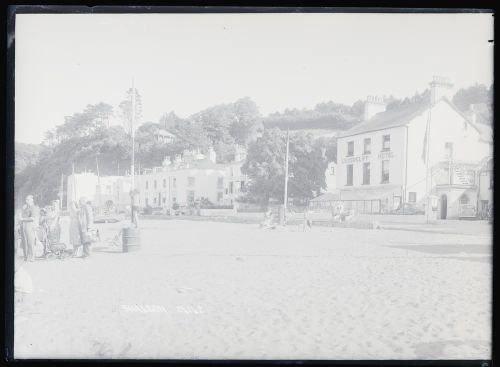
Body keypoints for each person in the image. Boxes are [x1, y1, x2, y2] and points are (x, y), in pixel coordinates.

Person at [19, 195, 39, 262]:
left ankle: (33, 256)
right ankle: (26, 257)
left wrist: (22, 219)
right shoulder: (25, 208)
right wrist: (23, 209)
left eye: (28, 199)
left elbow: (32, 218)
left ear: (32, 200)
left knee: (30, 242)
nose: (26, 201)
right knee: (24, 242)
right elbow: (21, 215)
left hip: (30, 225)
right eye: (26, 199)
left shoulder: (34, 208)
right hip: (24, 225)